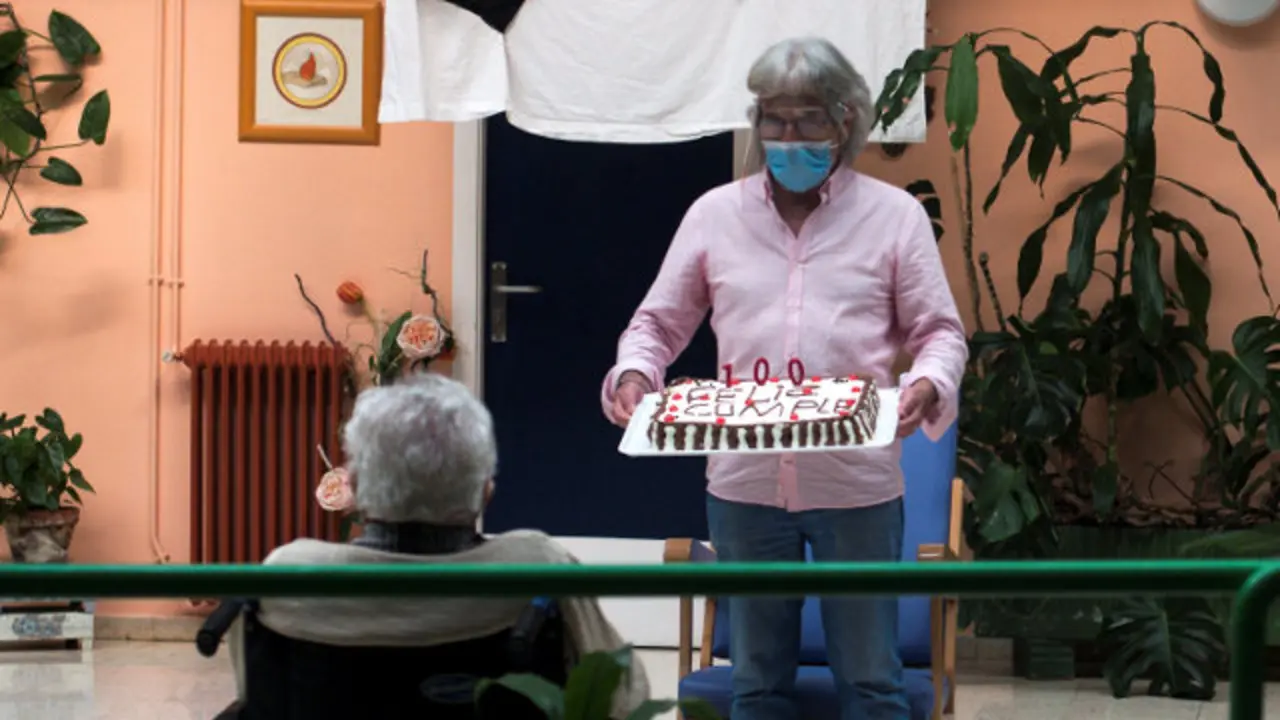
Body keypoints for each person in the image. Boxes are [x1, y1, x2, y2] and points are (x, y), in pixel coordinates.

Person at [600, 37, 967, 720]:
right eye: (774, 118)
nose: (788, 136)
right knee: (758, 686)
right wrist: (634, 376)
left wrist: (928, 383)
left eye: (809, 120)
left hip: (855, 483)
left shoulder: (895, 218)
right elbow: (655, 326)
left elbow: (939, 334)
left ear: (847, 123)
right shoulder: (714, 215)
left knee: (871, 684)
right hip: (744, 486)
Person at [233, 373, 648, 718]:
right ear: (485, 491)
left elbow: (256, 692)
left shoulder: (290, 574)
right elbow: (623, 697)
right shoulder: (537, 566)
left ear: (354, 487)